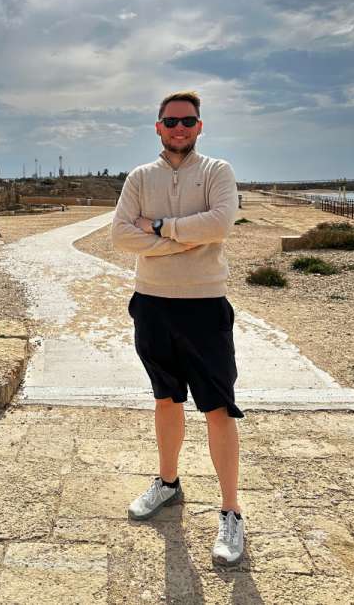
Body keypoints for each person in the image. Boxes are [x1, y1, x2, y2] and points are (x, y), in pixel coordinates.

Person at [110, 90, 245, 564]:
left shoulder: (216, 172)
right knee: (165, 399)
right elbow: (120, 234)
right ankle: (168, 482)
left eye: (188, 121)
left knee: (217, 408)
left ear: (200, 126)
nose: (179, 128)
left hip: (204, 306)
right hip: (152, 305)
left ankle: (231, 512)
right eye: (171, 121)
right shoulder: (139, 177)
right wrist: (184, 239)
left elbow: (221, 223)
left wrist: (160, 228)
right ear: (158, 127)